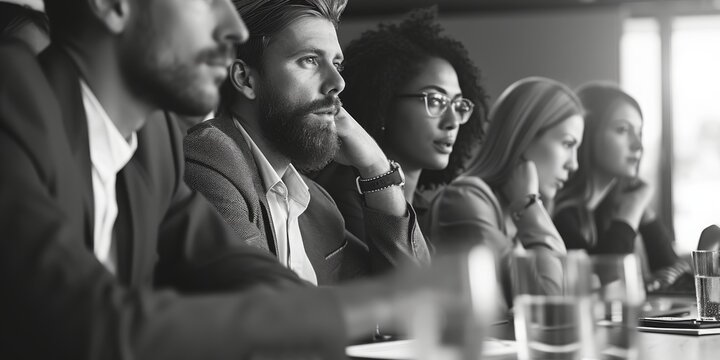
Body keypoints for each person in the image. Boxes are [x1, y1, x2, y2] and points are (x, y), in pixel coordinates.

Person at [0, 0, 459, 358]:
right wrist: (369, 305)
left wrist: (394, 297)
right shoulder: (12, 102)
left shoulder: (154, 142)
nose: (234, 29)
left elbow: (231, 264)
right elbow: (95, 324)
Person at [183, 0, 430, 285]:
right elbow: (261, 311)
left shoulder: (315, 204)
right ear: (245, 79)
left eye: (336, 63)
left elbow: (411, 297)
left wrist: (376, 167)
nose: (337, 82)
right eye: (309, 60)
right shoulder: (210, 158)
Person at [313, 7, 488, 242]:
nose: (452, 121)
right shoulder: (341, 196)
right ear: (383, 104)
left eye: (458, 105)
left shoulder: (431, 210)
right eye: (435, 101)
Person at [426, 77, 584, 305]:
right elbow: (550, 306)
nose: (574, 164)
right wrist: (530, 207)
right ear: (524, 137)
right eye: (568, 144)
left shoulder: (516, 212)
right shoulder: (464, 199)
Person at [553, 82, 690, 290]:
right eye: (622, 130)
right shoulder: (561, 215)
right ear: (586, 133)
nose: (638, 145)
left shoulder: (610, 209)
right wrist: (634, 206)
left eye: (640, 132)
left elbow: (676, 282)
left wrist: (641, 209)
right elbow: (603, 284)